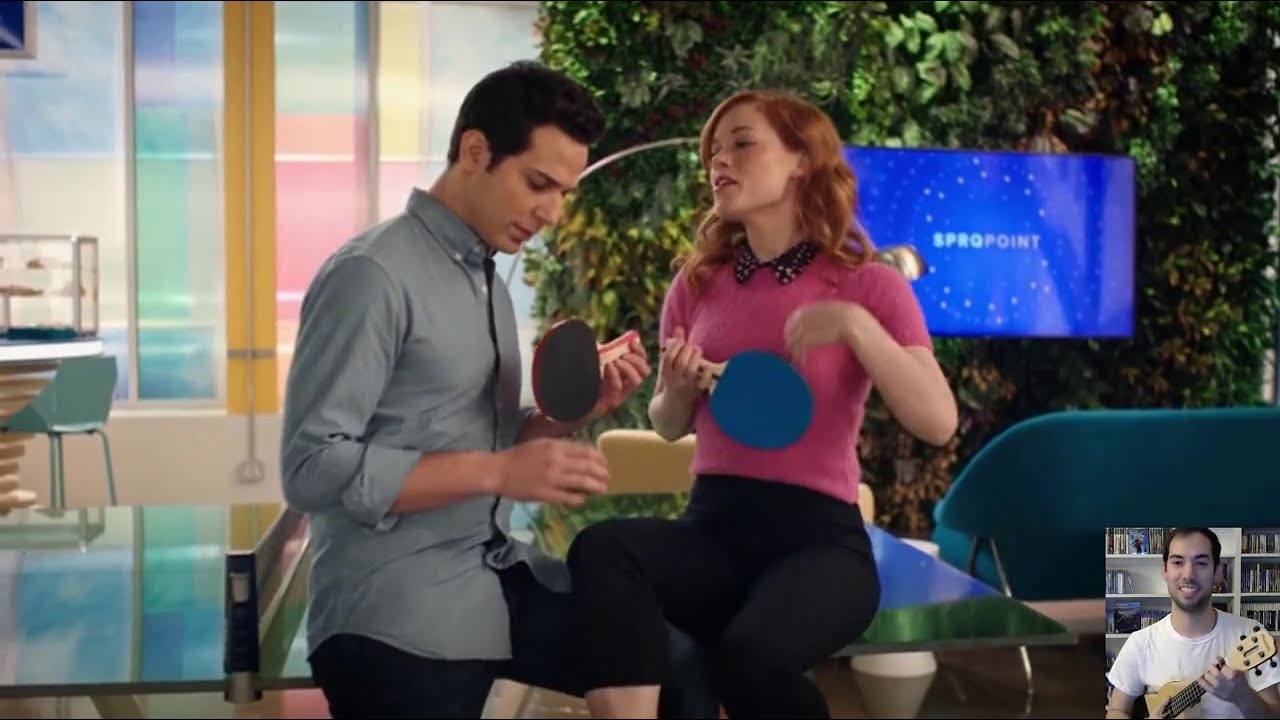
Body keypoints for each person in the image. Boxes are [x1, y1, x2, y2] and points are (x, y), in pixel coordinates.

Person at [279, 60, 719, 720]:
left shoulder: (484, 277)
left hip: (489, 576)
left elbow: (469, 435)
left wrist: (566, 417)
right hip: (392, 615)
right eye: (538, 184)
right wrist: (499, 471)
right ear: (475, 152)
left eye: (563, 193)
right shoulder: (370, 276)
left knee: (679, 668)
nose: (552, 213)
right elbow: (310, 468)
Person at [564, 89, 960, 719]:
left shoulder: (870, 285)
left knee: (746, 661)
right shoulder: (696, 284)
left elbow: (938, 423)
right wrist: (678, 389)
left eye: (742, 143)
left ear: (802, 160)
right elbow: (667, 424)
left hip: (819, 545)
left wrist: (857, 327)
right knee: (603, 549)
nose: (719, 161)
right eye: (713, 152)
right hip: (713, 529)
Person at [1106, 528, 1280, 719]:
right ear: (1165, 570)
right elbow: (1116, 711)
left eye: (1201, 563)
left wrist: (1244, 697)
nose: (1188, 574)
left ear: (1216, 571)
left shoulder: (1250, 635)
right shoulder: (1140, 643)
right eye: (1177, 562)